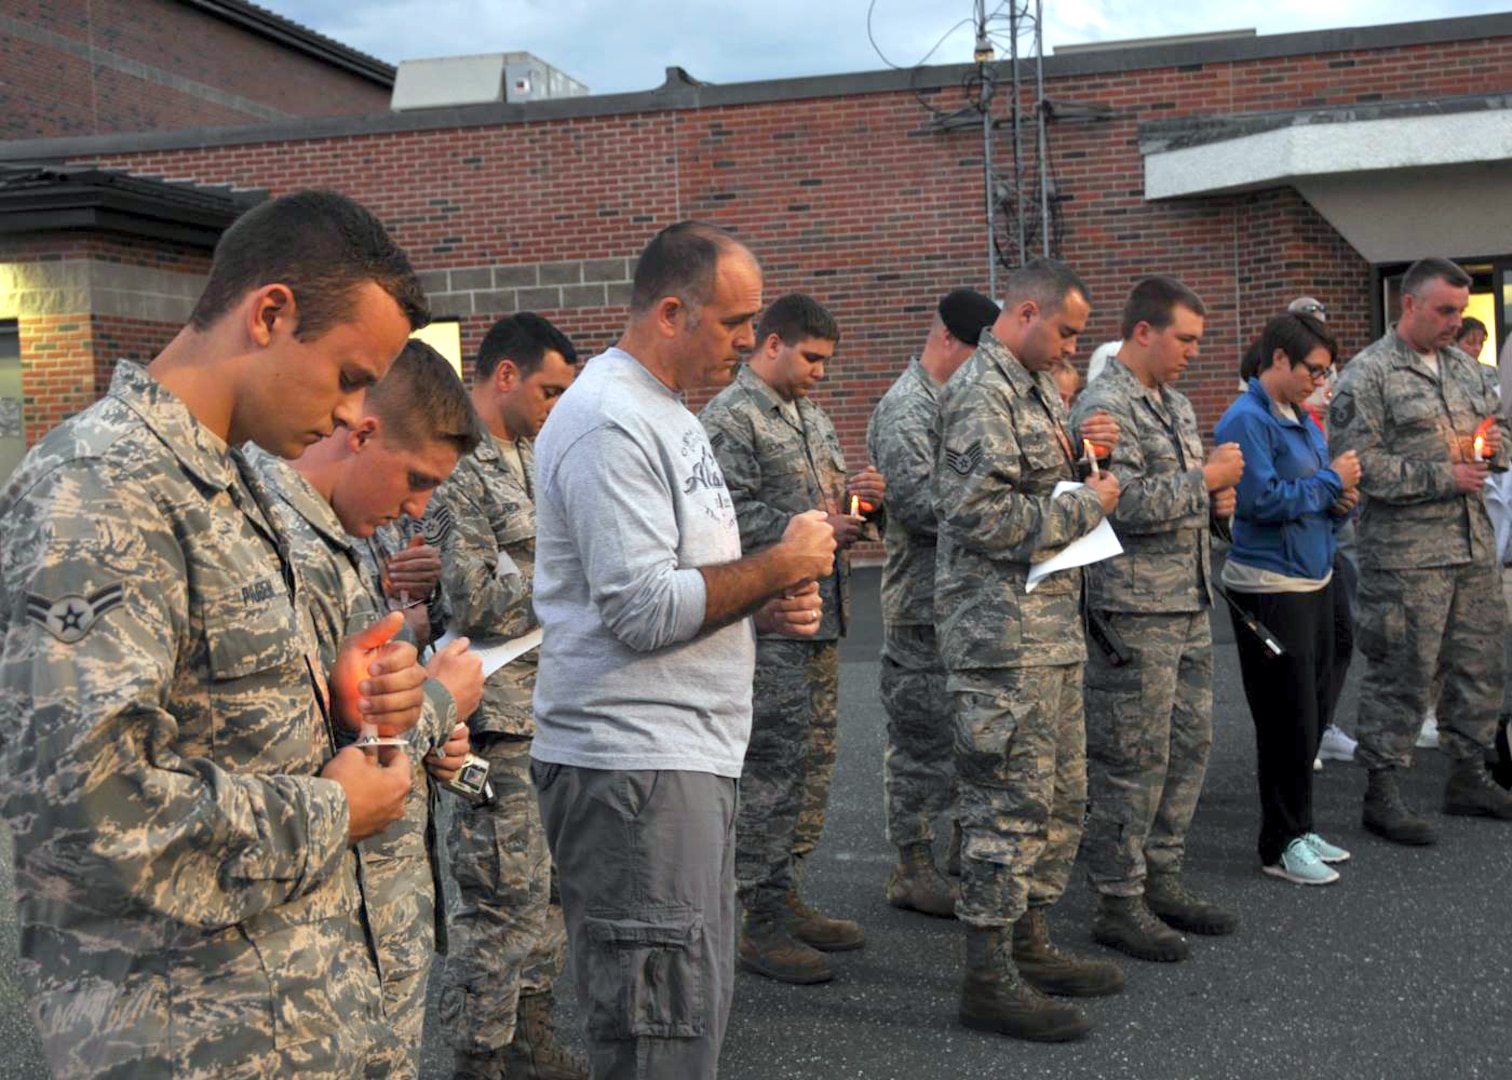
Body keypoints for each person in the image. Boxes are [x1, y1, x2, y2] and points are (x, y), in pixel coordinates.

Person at [0, 190, 433, 1077]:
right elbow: (85, 812)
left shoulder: (235, 479)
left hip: (295, 1020)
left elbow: (224, 710)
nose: (359, 416)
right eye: (351, 376)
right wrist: (334, 810)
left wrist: (334, 691)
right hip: (189, 1039)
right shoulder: (100, 489)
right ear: (270, 313)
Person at [530, 221, 836, 1078]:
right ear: (671, 311)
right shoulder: (608, 420)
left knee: (685, 1018)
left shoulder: (665, 410)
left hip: (673, 763)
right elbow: (638, 608)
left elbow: (677, 586)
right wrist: (779, 562)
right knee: (660, 1036)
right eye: (736, 323)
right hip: (634, 772)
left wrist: (756, 610)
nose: (749, 341)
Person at [247, 338, 485, 1079]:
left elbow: (359, 722)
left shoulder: (340, 536)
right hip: (321, 953)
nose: (417, 508)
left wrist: (429, 727)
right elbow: (314, 761)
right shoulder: (278, 541)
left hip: (375, 928)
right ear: (362, 432)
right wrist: (442, 701)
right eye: (415, 480)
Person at [933, 257, 1125, 1043]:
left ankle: (1029, 940)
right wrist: (1085, 508)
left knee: (1056, 798)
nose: (1072, 349)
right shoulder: (981, 391)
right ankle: (987, 975)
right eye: (1067, 331)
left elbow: (1039, 481)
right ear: (1025, 312)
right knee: (1002, 808)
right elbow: (979, 516)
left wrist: (1085, 459)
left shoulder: (1038, 385)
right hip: (999, 640)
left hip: (1047, 633)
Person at [700, 293, 885, 984]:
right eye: (812, 358)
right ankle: (756, 920)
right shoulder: (731, 418)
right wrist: (807, 522)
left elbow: (831, 506)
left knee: (809, 769)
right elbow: (723, 519)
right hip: (768, 623)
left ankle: (784, 893)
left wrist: (864, 504)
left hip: (818, 619)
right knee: (770, 775)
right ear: (769, 343)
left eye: (826, 362)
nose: (821, 374)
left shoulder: (810, 416)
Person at [426, 313, 586, 1080]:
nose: (559, 405)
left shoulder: (536, 455)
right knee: (496, 904)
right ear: (505, 376)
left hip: (551, 710)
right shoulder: (459, 468)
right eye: (551, 390)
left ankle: (531, 1038)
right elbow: (474, 597)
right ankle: (478, 1058)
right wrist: (572, 573)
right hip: (491, 722)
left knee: (548, 892)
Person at [1069, 277, 1243, 958]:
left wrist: (1215, 507)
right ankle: (1118, 895)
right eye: (1186, 339)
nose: (1194, 353)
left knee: (1188, 745)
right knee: (1130, 757)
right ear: (1145, 332)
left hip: (1187, 599)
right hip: (1134, 608)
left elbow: (1175, 499)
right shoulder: (1104, 406)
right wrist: (1204, 482)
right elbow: (1119, 503)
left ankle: (1161, 874)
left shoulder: (1170, 401)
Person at [1329, 257, 1512, 841]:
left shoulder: (1464, 368)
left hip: (1471, 546)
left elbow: (1494, 429)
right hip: (1406, 559)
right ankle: (1382, 788)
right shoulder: (1369, 375)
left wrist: (1493, 448)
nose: (1456, 321)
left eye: (1461, 310)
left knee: (1478, 664)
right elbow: (1360, 468)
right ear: (1409, 304)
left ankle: (1468, 773)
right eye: (1444, 310)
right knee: (1403, 671)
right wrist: (1444, 476)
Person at [866, 288, 1000, 918]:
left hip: (961, 601)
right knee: (921, 741)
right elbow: (921, 505)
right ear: (949, 338)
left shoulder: (959, 401)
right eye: (978, 349)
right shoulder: (907, 408)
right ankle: (912, 866)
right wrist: (996, 504)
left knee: (963, 736)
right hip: (921, 605)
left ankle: (953, 850)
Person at [1216, 313, 1360, 884]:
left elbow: (1310, 491)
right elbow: (1261, 501)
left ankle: (1300, 826)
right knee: (1285, 717)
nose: (1318, 383)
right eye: (1312, 370)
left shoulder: (1301, 417)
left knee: (1310, 713)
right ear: (1278, 359)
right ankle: (1279, 843)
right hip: (1270, 587)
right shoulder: (1246, 418)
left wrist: (1339, 500)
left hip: (1315, 576)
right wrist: (1331, 484)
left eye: (1326, 373)